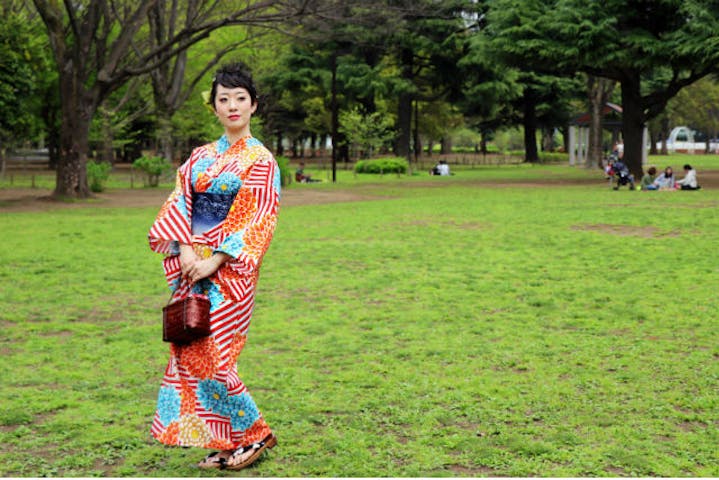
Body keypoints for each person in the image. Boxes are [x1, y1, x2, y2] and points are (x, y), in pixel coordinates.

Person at [147, 63, 281, 471]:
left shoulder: (260, 160)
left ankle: (255, 434)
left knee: (217, 354)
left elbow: (257, 217)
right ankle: (227, 439)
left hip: (231, 270)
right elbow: (179, 202)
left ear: (254, 105)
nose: (232, 106)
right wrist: (187, 249)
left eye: (241, 98)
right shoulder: (200, 157)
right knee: (191, 348)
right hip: (193, 262)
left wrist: (216, 260)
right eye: (224, 99)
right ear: (215, 108)